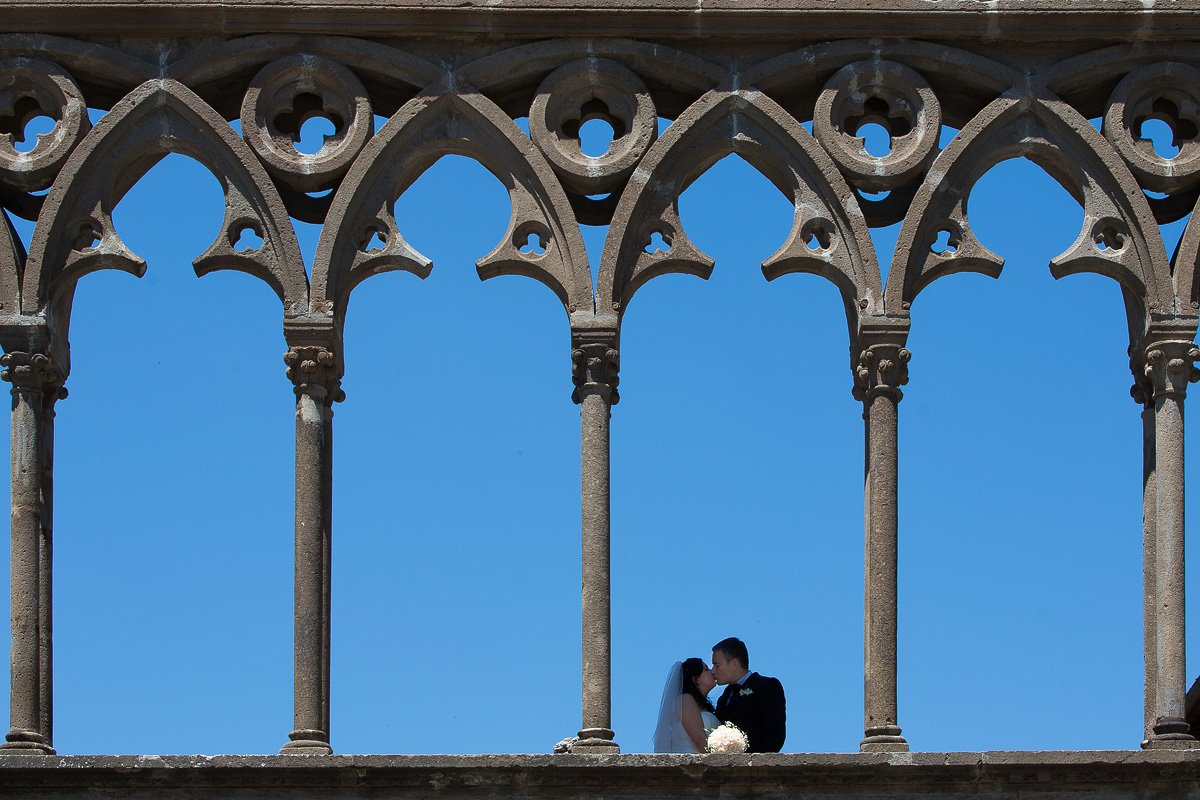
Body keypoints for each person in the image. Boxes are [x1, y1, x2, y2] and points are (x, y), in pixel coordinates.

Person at [711, 637, 785, 753]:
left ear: (734, 664)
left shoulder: (766, 686)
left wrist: (756, 764)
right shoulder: (723, 698)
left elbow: (775, 734)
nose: (713, 671)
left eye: (717, 665)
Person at [652, 657, 720, 752]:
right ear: (696, 679)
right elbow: (699, 739)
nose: (712, 672)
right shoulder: (685, 700)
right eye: (706, 670)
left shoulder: (701, 705)